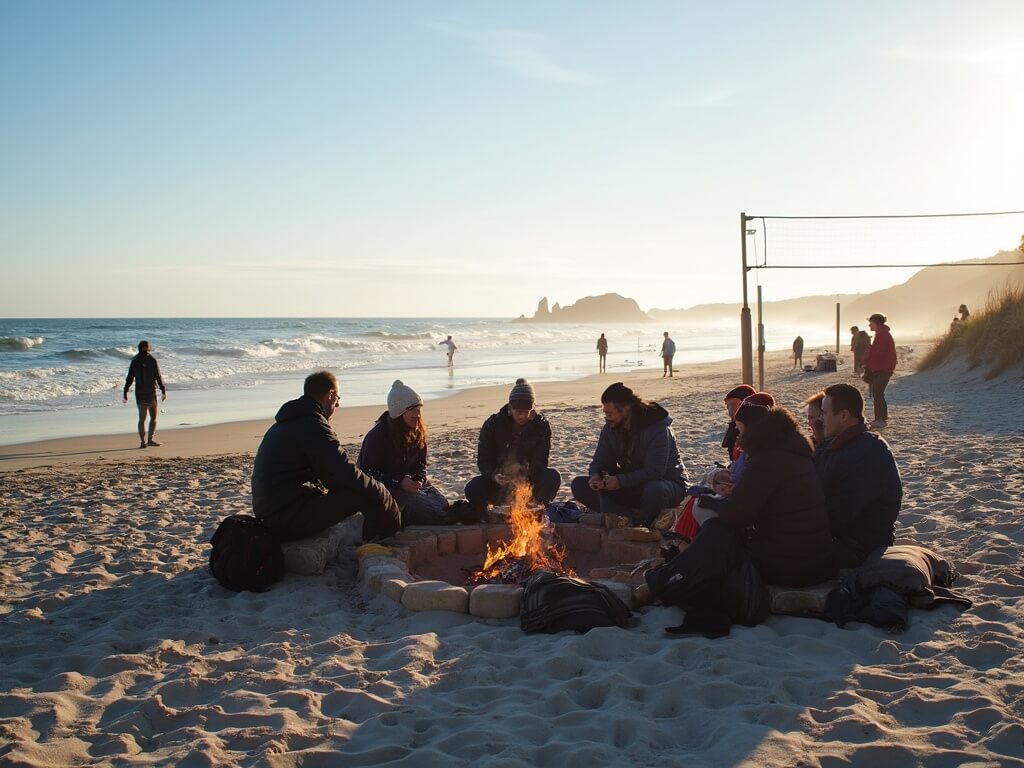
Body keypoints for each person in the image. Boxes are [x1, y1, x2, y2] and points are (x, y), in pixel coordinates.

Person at [641, 405, 836, 634]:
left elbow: (736, 516)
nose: (738, 436)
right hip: (814, 560)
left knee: (717, 532)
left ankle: (660, 581)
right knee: (717, 535)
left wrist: (712, 502)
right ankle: (665, 577)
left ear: (756, 432)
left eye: (741, 430)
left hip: (791, 566)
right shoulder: (793, 454)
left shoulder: (768, 459)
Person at [251, 370, 401, 543]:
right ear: (330, 396)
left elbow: (332, 472)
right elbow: (342, 474)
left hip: (274, 512)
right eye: (338, 398)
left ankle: (374, 533)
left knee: (363, 488)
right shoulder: (312, 424)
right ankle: (383, 538)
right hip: (283, 520)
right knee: (367, 492)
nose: (337, 405)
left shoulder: (290, 420)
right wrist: (381, 492)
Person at [570, 382, 688, 527]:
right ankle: (630, 517)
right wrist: (597, 475)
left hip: (665, 484)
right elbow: (600, 461)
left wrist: (619, 481)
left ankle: (628, 517)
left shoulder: (658, 429)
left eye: (610, 413)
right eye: (605, 413)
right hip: (631, 483)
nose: (606, 417)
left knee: (654, 490)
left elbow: (655, 472)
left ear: (626, 409)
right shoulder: (610, 429)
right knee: (579, 485)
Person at [816, 383, 902, 568]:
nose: (819, 418)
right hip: (844, 538)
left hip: (860, 548)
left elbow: (841, 513)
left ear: (844, 416)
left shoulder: (868, 452)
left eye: (824, 413)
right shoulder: (841, 445)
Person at [358, 380, 452, 525]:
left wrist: (419, 479)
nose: (418, 413)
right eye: (412, 409)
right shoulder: (378, 435)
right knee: (432, 513)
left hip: (411, 487)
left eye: (419, 408)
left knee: (443, 504)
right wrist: (399, 481)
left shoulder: (418, 431)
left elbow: (421, 466)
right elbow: (367, 472)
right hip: (386, 488)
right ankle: (398, 516)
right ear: (399, 412)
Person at [464, 378, 561, 517]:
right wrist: (495, 475)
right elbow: (484, 460)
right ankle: (492, 513)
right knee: (473, 488)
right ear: (510, 407)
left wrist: (522, 476)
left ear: (532, 410)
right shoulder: (493, 424)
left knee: (552, 477)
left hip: (528, 482)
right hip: (500, 483)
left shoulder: (541, 426)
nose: (521, 416)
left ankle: (532, 509)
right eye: (518, 411)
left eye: (525, 412)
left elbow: (541, 461)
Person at [123, 340, 167, 448]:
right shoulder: (152, 360)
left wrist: (125, 391)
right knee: (153, 418)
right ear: (148, 348)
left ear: (138, 348)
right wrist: (163, 390)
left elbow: (129, 378)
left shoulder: (135, 361)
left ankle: (143, 442)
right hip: (151, 394)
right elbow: (158, 376)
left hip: (140, 394)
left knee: (141, 419)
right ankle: (150, 440)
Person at [863, 313, 897, 427]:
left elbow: (879, 353)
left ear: (876, 323)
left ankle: (880, 420)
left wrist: (868, 363)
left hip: (882, 369)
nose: (869, 325)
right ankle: (882, 418)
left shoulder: (882, 335)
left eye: (871, 323)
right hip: (883, 368)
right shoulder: (882, 334)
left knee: (877, 394)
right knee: (879, 394)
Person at [721, 384, 756, 462]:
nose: (729, 412)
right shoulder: (734, 427)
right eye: (727, 407)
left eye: (733, 405)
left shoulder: (756, 431)